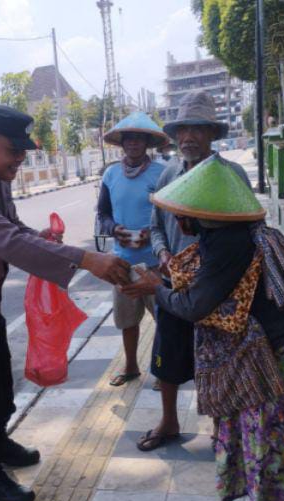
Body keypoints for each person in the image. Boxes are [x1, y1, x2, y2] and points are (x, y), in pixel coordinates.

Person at [0, 104, 130, 501]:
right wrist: (86, 259)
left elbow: (14, 228)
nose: (20, 159)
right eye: (13, 151)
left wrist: (44, 238)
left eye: (23, 151)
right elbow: (5, 242)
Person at [123, 155, 284, 501]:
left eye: (182, 212)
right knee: (260, 441)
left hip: (275, 362)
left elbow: (193, 306)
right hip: (262, 357)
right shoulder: (222, 235)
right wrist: (163, 285)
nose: (178, 220)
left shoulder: (228, 242)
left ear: (203, 210)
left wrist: (157, 288)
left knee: (278, 447)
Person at [137, 91, 252, 451]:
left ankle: (222, 429)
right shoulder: (169, 174)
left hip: (218, 287)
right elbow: (155, 225)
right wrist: (163, 253)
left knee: (219, 360)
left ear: (211, 133)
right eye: (183, 129)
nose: (188, 137)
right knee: (166, 356)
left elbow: (247, 231)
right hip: (173, 282)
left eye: (198, 129)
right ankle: (169, 421)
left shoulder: (232, 175)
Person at [96, 112, 168, 387]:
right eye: (129, 139)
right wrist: (115, 229)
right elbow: (102, 214)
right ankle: (131, 367)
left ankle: (162, 370)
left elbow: (171, 214)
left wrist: (154, 234)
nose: (133, 143)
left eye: (139, 139)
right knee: (127, 321)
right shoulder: (111, 174)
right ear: (122, 143)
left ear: (147, 142)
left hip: (155, 263)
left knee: (164, 320)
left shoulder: (162, 172)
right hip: (122, 262)